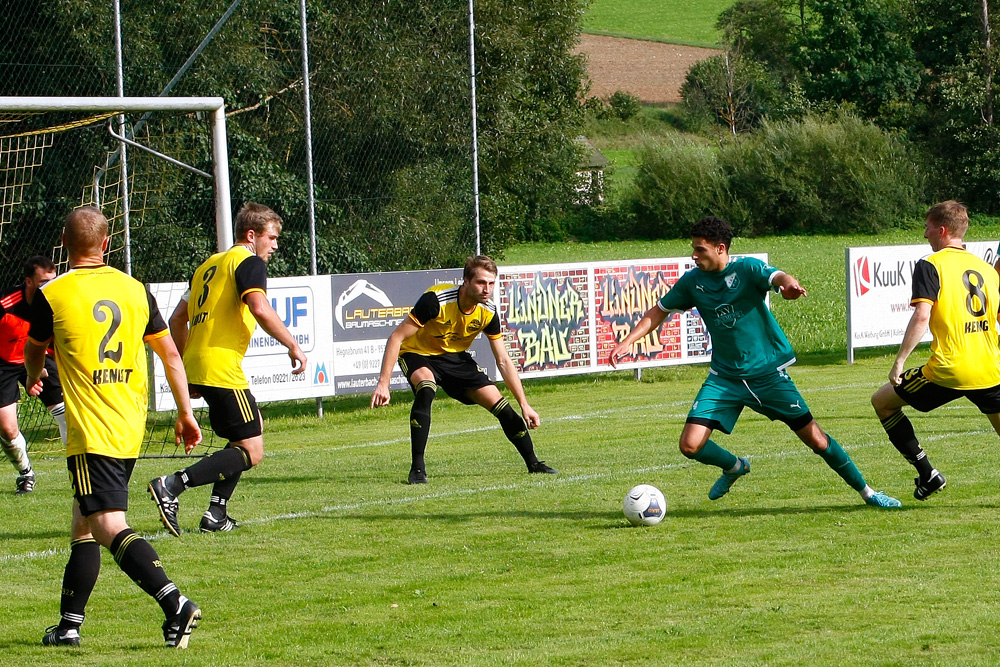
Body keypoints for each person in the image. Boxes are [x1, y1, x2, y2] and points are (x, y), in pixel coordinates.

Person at [608, 216, 900, 508]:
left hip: (768, 374)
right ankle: (735, 466)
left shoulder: (746, 268)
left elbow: (777, 277)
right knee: (690, 445)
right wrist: (627, 341)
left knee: (817, 440)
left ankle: (869, 493)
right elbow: (658, 311)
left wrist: (789, 286)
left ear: (720, 248)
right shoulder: (692, 282)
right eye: (693, 249)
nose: (694, 256)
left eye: (700, 250)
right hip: (724, 378)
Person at [26, 206, 203, 648]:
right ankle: (69, 626)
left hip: (91, 430)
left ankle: (175, 603)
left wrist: (32, 377)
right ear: (106, 244)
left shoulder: (53, 293)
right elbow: (171, 356)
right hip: (129, 425)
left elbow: (33, 349)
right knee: (83, 522)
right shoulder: (135, 289)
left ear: (64, 246)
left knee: (106, 524)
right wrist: (185, 412)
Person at [150, 202, 307, 535]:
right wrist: (292, 344)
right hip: (221, 366)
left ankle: (215, 515)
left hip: (199, 362)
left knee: (249, 430)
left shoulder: (207, 265)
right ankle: (172, 485)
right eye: (272, 238)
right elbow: (260, 308)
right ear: (251, 236)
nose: (275, 246)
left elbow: (179, 318)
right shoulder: (247, 261)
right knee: (252, 450)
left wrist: (185, 363)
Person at [370, 254, 556, 483]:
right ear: (466, 281)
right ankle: (417, 469)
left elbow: (504, 361)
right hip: (417, 353)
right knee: (427, 388)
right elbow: (396, 338)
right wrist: (383, 384)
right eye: (481, 282)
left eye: (491, 283)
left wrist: (525, 405)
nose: (487, 289)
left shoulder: (488, 311)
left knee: (502, 406)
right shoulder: (436, 300)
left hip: (455, 359)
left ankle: (534, 463)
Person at [872, 201, 1000, 500]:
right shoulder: (987, 270)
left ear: (942, 230)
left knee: (882, 402)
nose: (925, 233)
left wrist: (899, 362)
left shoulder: (930, 264)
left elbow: (921, 316)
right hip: (989, 367)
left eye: (928, 227)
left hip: (949, 369)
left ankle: (927, 473)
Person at [0, 255, 68, 493]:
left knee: (67, 414)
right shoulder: (5, 304)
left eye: (52, 280)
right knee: (7, 428)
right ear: (28, 281)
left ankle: (81, 471)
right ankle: (25, 473)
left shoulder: (57, 302)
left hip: (40, 357)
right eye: (42, 282)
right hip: (5, 363)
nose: (48, 287)